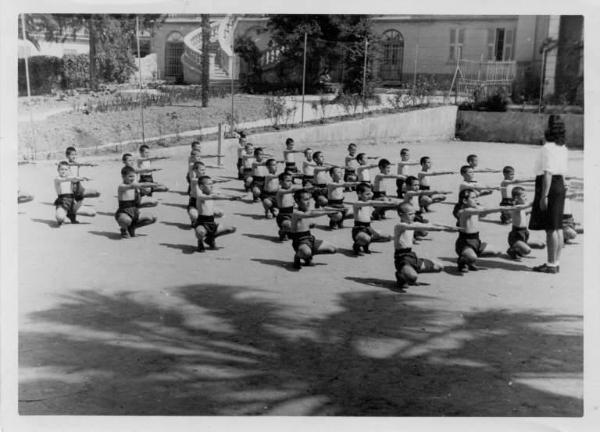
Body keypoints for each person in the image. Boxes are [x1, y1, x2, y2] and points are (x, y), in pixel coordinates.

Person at [453, 188, 529, 272]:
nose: (476, 200)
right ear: (464, 200)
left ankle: (472, 255)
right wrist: (501, 208)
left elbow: (484, 211)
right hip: (465, 242)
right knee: (472, 257)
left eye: (476, 197)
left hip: (476, 240)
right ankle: (462, 261)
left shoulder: (475, 208)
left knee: (496, 252)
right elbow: (485, 210)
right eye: (473, 198)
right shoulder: (465, 211)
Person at [529, 115, 569, 273]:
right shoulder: (563, 147)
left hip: (549, 186)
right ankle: (555, 262)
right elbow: (562, 173)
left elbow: (548, 173)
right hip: (560, 185)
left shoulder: (547, 148)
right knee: (558, 227)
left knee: (551, 229)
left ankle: (551, 264)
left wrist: (544, 196)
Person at [394, 203, 460, 289]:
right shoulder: (400, 226)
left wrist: (448, 227)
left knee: (439, 267)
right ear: (400, 214)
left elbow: (432, 224)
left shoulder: (412, 223)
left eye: (414, 213)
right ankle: (400, 275)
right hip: (401, 258)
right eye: (410, 214)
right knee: (412, 277)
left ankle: (410, 270)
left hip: (411, 256)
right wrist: (440, 229)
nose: (413, 216)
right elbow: (421, 226)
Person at [290, 189, 338, 269]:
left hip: (310, 239)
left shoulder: (306, 210)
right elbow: (310, 214)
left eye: (309, 199)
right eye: (305, 199)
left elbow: (313, 214)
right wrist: (327, 212)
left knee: (334, 249)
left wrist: (331, 209)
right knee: (306, 252)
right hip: (300, 242)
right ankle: (298, 256)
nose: (308, 202)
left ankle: (308, 257)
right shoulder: (296, 213)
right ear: (297, 201)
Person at [192, 176, 241, 252]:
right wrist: (228, 198)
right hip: (201, 223)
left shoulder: (211, 193)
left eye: (212, 184)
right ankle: (200, 242)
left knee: (232, 229)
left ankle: (210, 239)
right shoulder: (200, 197)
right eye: (209, 184)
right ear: (201, 187)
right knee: (200, 232)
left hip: (211, 223)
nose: (212, 186)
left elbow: (219, 195)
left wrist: (232, 196)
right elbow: (213, 196)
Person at [351, 182, 398, 255]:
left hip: (369, 228)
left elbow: (372, 200)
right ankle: (356, 245)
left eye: (370, 193)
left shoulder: (368, 200)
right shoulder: (357, 203)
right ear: (359, 194)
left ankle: (366, 244)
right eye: (367, 194)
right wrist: (388, 203)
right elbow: (371, 203)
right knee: (366, 238)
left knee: (388, 237)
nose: (370, 195)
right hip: (358, 230)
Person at [115, 166, 158, 238]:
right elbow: (133, 186)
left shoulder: (134, 184)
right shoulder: (122, 186)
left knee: (152, 218)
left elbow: (143, 190)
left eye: (133, 176)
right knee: (126, 220)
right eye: (130, 176)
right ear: (123, 177)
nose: (132, 178)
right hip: (123, 212)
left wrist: (146, 190)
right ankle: (124, 229)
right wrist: (150, 185)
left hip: (135, 211)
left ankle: (132, 228)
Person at [505, 187, 546, 259]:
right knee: (527, 251)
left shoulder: (522, 208)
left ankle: (522, 246)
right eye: (523, 196)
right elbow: (525, 206)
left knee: (541, 245)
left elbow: (525, 212)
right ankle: (512, 249)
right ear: (516, 198)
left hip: (524, 234)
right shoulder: (516, 207)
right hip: (516, 236)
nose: (526, 198)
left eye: (526, 196)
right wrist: (534, 202)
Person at [54, 161, 96, 226]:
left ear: (69, 170)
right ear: (58, 170)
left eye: (66, 169)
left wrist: (84, 178)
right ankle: (62, 215)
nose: (63, 171)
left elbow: (74, 179)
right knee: (60, 217)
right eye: (62, 169)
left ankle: (71, 214)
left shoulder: (71, 178)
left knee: (93, 213)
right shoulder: (57, 179)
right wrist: (79, 178)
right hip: (62, 203)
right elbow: (67, 179)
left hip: (72, 203)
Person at [275, 172, 306, 241]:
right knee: (289, 225)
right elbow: (291, 190)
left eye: (291, 181)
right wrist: (304, 188)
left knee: (303, 225)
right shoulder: (280, 191)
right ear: (280, 182)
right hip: (283, 216)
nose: (290, 183)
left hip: (292, 214)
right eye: (288, 181)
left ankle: (289, 233)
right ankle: (282, 231)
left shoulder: (290, 192)